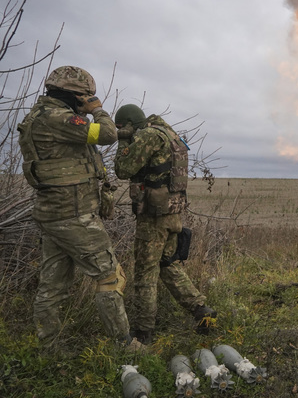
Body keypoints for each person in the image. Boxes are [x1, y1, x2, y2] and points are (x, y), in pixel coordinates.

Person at [16, 65, 140, 351]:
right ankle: (124, 345)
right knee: (110, 275)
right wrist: (97, 109)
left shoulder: (40, 116)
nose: (89, 102)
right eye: (86, 97)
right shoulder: (59, 118)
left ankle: (49, 347)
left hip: (53, 213)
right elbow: (108, 134)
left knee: (53, 284)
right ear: (75, 96)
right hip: (73, 216)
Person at [113, 104, 216, 344]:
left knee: (145, 273)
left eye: (121, 127)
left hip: (154, 216)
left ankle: (144, 333)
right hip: (172, 212)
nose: (120, 131)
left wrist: (123, 140)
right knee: (167, 264)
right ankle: (201, 309)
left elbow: (122, 168)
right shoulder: (168, 134)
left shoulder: (147, 136)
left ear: (129, 125)